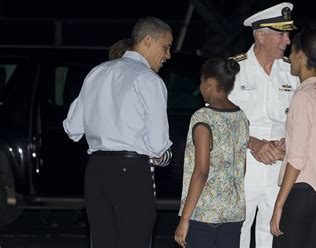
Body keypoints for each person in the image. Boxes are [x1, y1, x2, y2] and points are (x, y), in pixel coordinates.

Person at [63, 17, 173, 247]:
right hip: (131, 171)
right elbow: (157, 144)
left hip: (96, 171)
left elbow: (72, 128)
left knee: (103, 242)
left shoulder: (96, 72)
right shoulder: (149, 80)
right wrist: (165, 157)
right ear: (148, 41)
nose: (168, 55)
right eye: (166, 47)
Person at [228, 2, 300, 247]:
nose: (288, 41)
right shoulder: (234, 69)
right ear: (260, 35)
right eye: (281, 33)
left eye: (288, 34)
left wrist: (287, 143)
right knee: (237, 231)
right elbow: (221, 122)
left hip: (279, 164)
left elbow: (300, 119)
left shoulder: (292, 71)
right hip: (244, 163)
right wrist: (254, 142)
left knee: (272, 232)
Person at [269, 27, 316, 248]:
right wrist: (285, 151)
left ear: (301, 54)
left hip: (304, 194)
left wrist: (279, 205)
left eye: (292, 51)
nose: (289, 56)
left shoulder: (303, 96)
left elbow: (298, 158)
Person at [174, 57, 249, 248]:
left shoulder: (203, 117)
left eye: (200, 81)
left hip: (202, 214)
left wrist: (185, 219)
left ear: (209, 82)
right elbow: (242, 167)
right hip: (233, 214)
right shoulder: (242, 118)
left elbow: (201, 171)